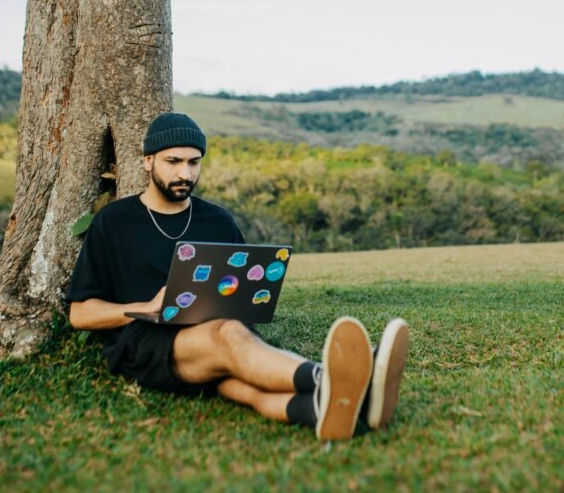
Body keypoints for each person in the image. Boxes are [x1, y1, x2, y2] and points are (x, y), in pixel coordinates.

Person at [66, 112, 410, 440]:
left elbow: (243, 289)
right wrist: (146, 306)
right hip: (147, 343)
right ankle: (335, 378)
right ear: (148, 161)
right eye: (174, 162)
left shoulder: (218, 221)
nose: (185, 173)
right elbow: (80, 313)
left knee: (241, 384)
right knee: (228, 334)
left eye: (193, 162)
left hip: (217, 335)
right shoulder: (114, 222)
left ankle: (322, 408)